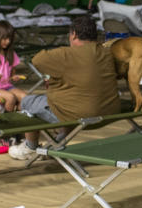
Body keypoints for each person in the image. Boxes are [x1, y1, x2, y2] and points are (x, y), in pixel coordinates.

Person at [7, 15, 121, 160]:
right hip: (109, 112)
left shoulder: (66, 54)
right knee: (71, 103)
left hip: (82, 114)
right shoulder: (106, 52)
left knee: (27, 102)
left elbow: (37, 60)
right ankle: (57, 141)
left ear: (73, 34)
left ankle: (30, 147)